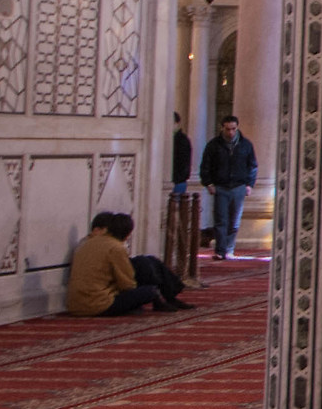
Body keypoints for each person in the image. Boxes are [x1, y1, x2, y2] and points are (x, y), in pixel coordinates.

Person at [65, 213, 190, 316]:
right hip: (98, 304)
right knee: (150, 290)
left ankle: (168, 295)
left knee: (146, 261)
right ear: (128, 235)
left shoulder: (89, 242)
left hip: (75, 303)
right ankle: (169, 295)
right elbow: (126, 283)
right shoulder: (115, 247)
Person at [199, 115, 258, 258]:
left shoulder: (245, 145)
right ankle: (220, 251)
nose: (230, 132)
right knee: (221, 220)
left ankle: (229, 249)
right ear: (222, 128)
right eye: (227, 129)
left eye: (233, 129)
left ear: (237, 128)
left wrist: (249, 184)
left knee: (234, 221)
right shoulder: (213, 145)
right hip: (221, 186)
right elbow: (205, 166)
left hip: (238, 186)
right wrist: (208, 183)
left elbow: (252, 166)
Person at [170, 112, 193, 194]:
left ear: (177, 123)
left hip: (178, 182)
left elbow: (184, 162)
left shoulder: (182, 140)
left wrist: (178, 178)